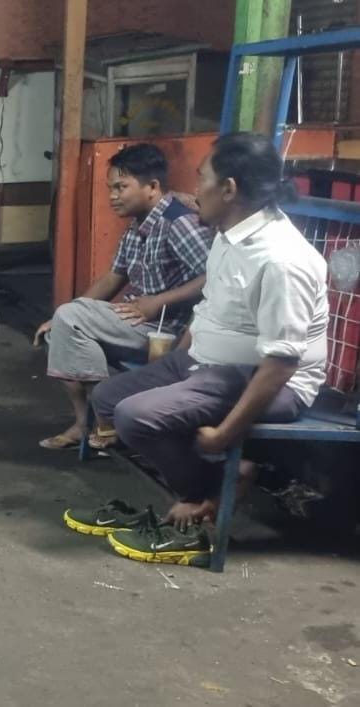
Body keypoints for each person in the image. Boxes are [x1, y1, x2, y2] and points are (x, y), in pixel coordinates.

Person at [66, 133, 328, 566]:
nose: (192, 190)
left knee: (136, 416)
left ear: (229, 189)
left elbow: (282, 363)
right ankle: (223, 477)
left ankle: (201, 500)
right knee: (107, 398)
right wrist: (175, 360)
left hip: (266, 379)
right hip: (207, 363)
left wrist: (224, 435)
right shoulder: (228, 233)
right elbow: (209, 307)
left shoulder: (281, 259)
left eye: (202, 178)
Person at [34, 143, 213, 450]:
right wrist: (66, 313)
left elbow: (214, 276)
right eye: (110, 188)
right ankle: (88, 421)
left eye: (121, 187)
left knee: (69, 323)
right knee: (59, 331)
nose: (113, 196)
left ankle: (106, 418)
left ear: (152, 187)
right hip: (138, 322)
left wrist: (160, 301)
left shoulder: (179, 223)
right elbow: (113, 277)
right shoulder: (137, 226)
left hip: (167, 332)